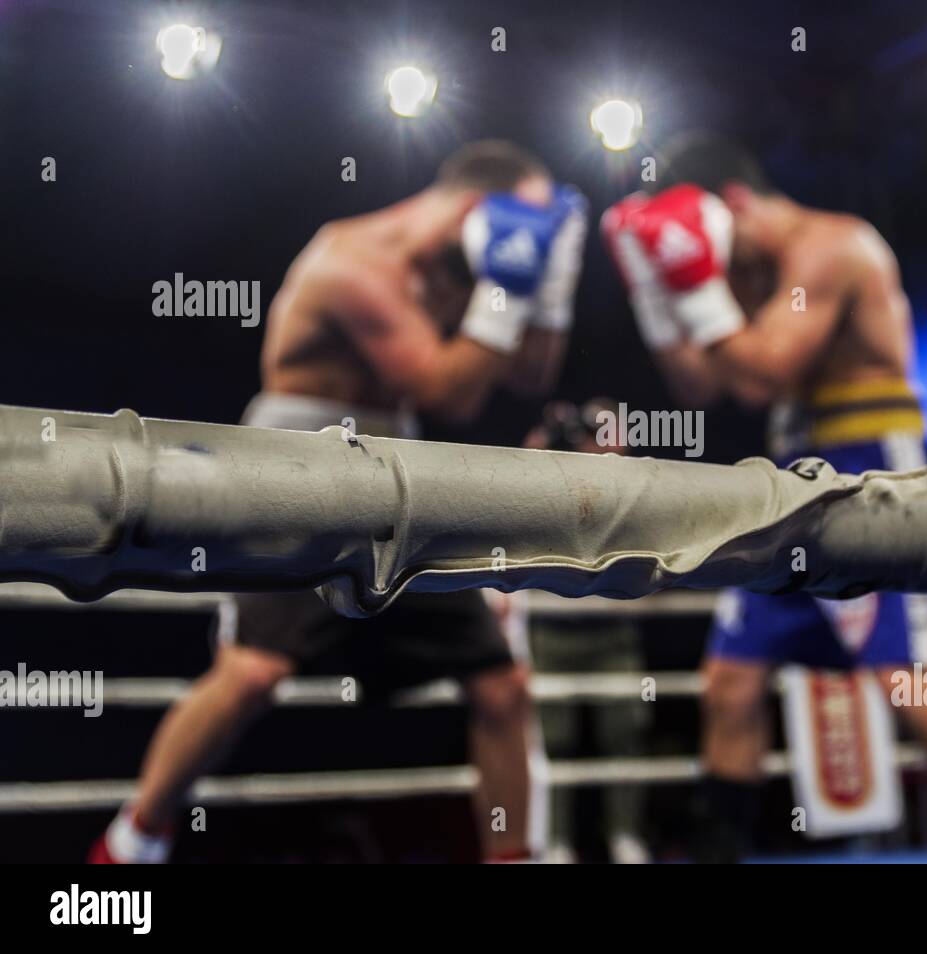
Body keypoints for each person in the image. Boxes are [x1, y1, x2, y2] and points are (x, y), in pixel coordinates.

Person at [91, 139, 587, 863]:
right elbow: (448, 391)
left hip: (400, 473)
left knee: (501, 686)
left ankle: (511, 858)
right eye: (527, 231)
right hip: (296, 462)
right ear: (482, 211)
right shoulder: (355, 263)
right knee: (254, 672)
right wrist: (506, 290)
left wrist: (549, 280)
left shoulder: (458, 272)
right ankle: (131, 844)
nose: (529, 245)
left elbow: (529, 375)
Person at [602, 132, 927, 863]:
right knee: (731, 682)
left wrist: (699, 291)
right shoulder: (752, 273)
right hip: (791, 477)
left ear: (730, 206)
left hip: (876, 468)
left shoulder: (834, 246)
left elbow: (764, 372)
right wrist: (658, 294)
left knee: (910, 684)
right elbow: (706, 386)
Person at [523, 399, 652, 864]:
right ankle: (554, 841)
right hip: (551, 628)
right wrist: (532, 459)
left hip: (612, 629)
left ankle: (626, 835)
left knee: (624, 733)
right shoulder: (537, 479)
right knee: (551, 741)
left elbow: (644, 509)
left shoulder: (623, 482)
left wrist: (614, 456)